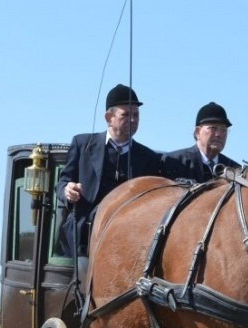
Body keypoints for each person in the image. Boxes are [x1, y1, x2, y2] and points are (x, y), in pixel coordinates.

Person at [56, 84, 170, 260]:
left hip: (129, 239)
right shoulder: (83, 144)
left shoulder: (149, 158)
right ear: (109, 117)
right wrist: (67, 190)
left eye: (136, 115)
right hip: (84, 237)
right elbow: (63, 182)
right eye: (126, 115)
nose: (133, 120)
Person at [164, 102, 240, 183]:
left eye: (224, 130)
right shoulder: (175, 162)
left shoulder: (234, 170)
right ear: (197, 132)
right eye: (213, 128)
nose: (219, 134)